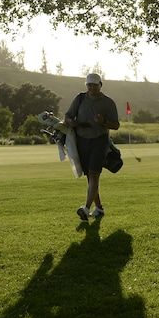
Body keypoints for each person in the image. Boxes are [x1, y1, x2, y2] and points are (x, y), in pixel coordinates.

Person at [64, 73, 120, 220]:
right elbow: (68, 116)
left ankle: (86, 208)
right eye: (89, 85)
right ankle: (99, 208)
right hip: (82, 141)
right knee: (90, 176)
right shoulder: (80, 98)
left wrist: (103, 121)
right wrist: (70, 122)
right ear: (86, 85)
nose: (92, 88)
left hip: (100, 141)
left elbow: (115, 125)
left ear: (101, 85)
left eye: (95, 85)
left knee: (94, 174)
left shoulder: (108, 103)